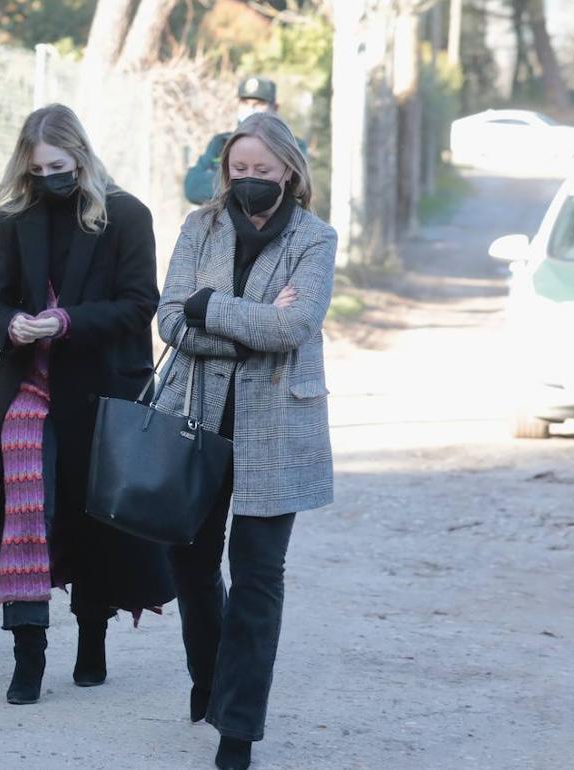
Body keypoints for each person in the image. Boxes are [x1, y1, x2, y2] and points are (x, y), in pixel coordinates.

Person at [0, 104, 175, 706]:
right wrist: (15, 325)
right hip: (29, 388)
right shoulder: (16, 216)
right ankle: (28, 654)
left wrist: (66, 321)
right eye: (38, 167)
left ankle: (92, 639)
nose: (49, 175)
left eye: (58, 164)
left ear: (80, 154)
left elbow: (139, 305)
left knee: (92, 513)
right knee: (27, 510)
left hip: (103, 388)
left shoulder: (125, 214)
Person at [157, 112, 336, 770]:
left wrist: (211, 307)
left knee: (258, 578)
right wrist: (240, 323)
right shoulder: (198, 226)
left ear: (289, 170)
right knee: (191, 563)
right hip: (197, 416)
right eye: (240, 170)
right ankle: (210, 677)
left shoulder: (316, 239)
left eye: (263, 171)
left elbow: (297, 327)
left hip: (278, 430)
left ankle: (238, 729)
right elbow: (170, 317)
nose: (251, 181)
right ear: (224, 171)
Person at [183, 76, 278, 206]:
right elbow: (193, 188)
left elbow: (285, 191)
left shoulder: (288, 146)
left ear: (275, 108)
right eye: (245, 102)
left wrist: (219, 179)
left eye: (259, 104)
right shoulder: (220, 143)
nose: (250, 109)